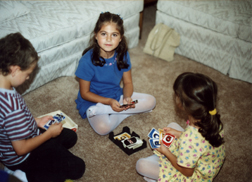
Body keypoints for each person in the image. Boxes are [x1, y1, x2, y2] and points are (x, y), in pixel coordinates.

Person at [0, 32, 85, 182]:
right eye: (27, 74)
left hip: (17, 142)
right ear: (14, 70)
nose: (28, 78)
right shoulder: (12, 108)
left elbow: (10, 124)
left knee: (71, 137)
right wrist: (48, 135)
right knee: (78, 168)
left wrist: (37, 121)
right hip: (23, 156)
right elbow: (21, 149)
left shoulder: (5, 87)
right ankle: (22, 175)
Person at [75, 12, 156, 135]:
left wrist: (127, 97)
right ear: (96, 35)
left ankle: (116, 111)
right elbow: (85, 93)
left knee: (151, 101)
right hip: (93, 101)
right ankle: (117, 110)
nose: (108, 39)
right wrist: (108, 102)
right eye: (103, 34)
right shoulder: (86, 61)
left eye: (114, 35)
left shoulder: (123, 54)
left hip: (116, 95)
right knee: (103, 128)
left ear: (120, 38)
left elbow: (128, 82)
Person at [136, 72, 225, 182]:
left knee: (141, 165)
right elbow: (202, 140)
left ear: (182, 104)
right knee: (172, 126)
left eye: (177, 95)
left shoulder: (189, 140)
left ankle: (160, 170)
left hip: (194, 176)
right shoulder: (212, 117)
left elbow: (187, 172)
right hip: (206, 163)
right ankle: (159, 164)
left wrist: (166, 152)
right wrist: (179, 134)